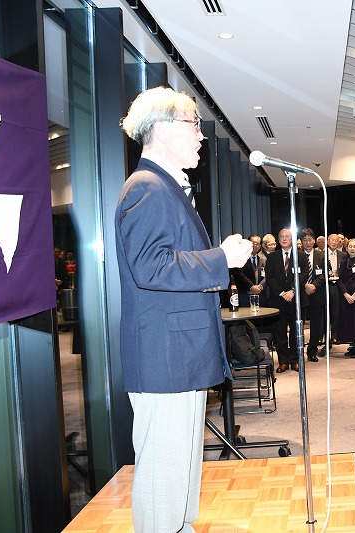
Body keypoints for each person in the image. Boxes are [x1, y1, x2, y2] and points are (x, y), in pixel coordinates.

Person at [115, 86, 252, 532]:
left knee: (178, 465)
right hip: (165, 357)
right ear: (163, 129)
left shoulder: (162, 187)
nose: (200, 137)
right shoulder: (148, 188)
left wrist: (217, 258)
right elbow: (150, 267)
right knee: (163, 471)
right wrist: (220, 258)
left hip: (176, 355)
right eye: (194, 125)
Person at [266, 228, 310, 373]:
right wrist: (282, 292)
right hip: (278, 300)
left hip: (296, 298)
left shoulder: (301, 255)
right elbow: (269, 277)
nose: (284, 239)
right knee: (280, 332)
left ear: (292, 239)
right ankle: (283, 361)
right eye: (281, 237)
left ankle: (295, 360)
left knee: (296, 331)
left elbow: (304, 274)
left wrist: (293, 291)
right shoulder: (272, 257)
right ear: (278, 240)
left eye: (287, 236)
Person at [300, 228, 326, 362]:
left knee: (316, 324)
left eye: (310, 240)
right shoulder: (296, 255)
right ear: (301, 242)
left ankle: (312, 351)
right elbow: (294, 273)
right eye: (305, 240)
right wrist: (304, 285)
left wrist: (314, 285)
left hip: (317, 293)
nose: (308, 242)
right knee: (299, 323)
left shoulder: (321, 255)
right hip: (301, 293)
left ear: (314, 240)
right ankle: (298, 351)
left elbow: (325, 273)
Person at [338, 238, 355, 357]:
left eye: (354, 246)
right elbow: (341, 280)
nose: (352, 249)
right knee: (349, 322)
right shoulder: (344, 262)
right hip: (346, 296)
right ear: (346, 248)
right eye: (350, 246)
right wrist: (345, 294)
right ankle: (354, 346)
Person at [233, 234, 266, 308]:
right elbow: (239, 274)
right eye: (252, 243)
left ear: (260, 246)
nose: (255, 245)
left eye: (257, 243)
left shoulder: (263, 259)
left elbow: (268, 275)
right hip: (245, 294)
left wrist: (260, 287)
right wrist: (251, 287)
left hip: (260, 296)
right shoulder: (240, 258)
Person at [326, 233, 347, 344]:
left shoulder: (343, 255)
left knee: (336, 311)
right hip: (325, 285)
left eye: (336, 240)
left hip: (338, 286)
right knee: (325, 312)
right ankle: (323, 336)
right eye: (332, 240)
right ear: (328, 241)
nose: (334, 242)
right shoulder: (321, 254)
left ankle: (335, 335)